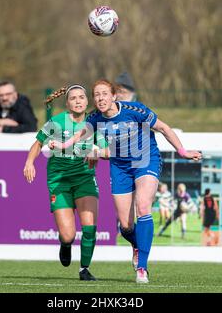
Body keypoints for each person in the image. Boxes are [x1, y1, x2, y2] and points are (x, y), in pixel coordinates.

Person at [49, 79, 202, 283]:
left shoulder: (134, 109)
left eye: (104, 93)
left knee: (144, 206)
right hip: (120, 167)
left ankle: (142, 268)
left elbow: (164, 128)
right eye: (97, 95)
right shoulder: (95, 118)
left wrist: (182, 151)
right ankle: (136, 245)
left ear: (114, 96)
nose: (100, 98)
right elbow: (79, 135)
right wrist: (62, 144)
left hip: (146, 160)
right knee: (126, 226)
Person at [23, 84, 108, 281]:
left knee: (89, 228)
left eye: (81, 97)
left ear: (87, 101)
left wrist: (96, 153)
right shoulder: (57, 122)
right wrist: (29, 162)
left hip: (84, 178)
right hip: (59, 181)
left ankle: (84, 269)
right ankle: (65, 244)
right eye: (73, 98)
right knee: (68, 235)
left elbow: (105, 150)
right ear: (67, 103)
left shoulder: (93, 123)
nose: (78, 101)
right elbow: (38, 144)